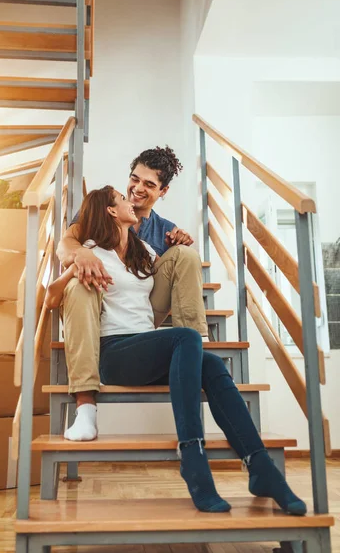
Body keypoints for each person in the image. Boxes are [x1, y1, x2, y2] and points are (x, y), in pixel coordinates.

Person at [46, 185, 307, 516]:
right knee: (186, 338)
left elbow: (170, 274)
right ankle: (193, 458)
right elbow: (53, 296)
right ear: (112, 211)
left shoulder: (142, 249)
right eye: (123, 200)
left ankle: (261, 467)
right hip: (113, 353)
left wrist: (181, 245)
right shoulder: (92, 250)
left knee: (211, 366)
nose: (131, 202)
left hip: (146, 345)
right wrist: (75, 263)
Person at [54, 147, 210, 439]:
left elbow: (175, 271)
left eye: (149, 185)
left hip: (143, 311)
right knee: (77, 285)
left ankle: (195, 347)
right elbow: (65, 245)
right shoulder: (99, 212)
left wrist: (180, 245)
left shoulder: (163, 231)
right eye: (134, 179)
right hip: (101, 312)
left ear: (163, 191)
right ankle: (85, 406)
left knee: (187, 255)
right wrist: (80, 255)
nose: (137, 189)